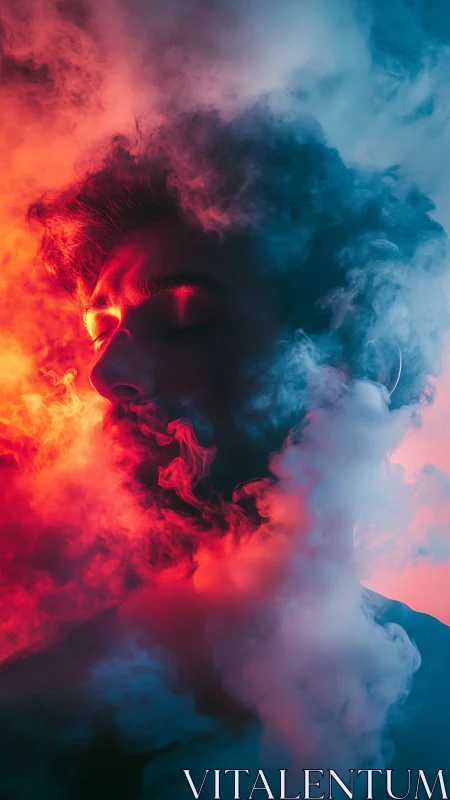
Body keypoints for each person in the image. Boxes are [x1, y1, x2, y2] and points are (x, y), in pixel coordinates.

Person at [3, 104, 450, 798]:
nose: (103, 372)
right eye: (101, 331)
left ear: (365, 365)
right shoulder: (27, 713)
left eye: (187, 319)